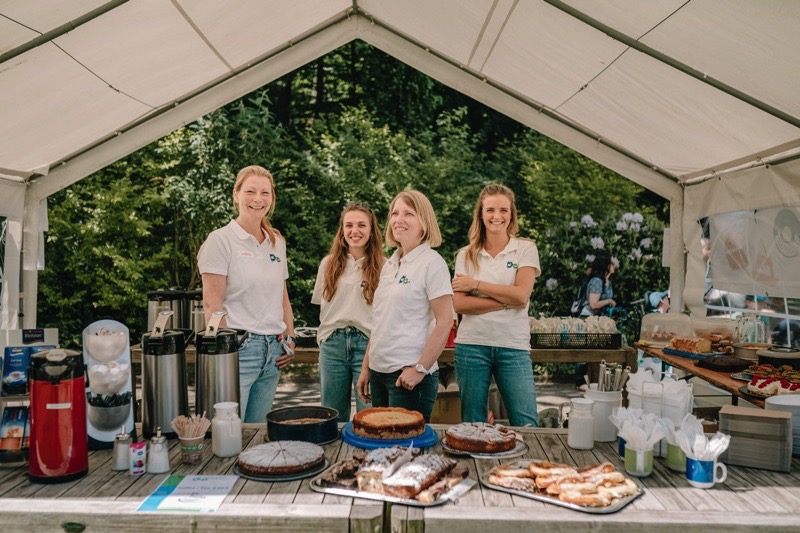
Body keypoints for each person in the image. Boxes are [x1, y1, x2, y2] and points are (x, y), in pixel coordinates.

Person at [197, 165, 296, 423]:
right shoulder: (220, 240)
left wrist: (290, 336)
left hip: (274, 352)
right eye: (250, 191)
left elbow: (282, 294)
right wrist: (227, 352)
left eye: (265, 192)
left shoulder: (277, 241)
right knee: (228, 431)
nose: (258, 199)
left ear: (272, 197)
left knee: (256, 432)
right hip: (239, 349)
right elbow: (212, 305)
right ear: (236, 194)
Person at [356, 190, 454, 421]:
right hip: (378, 374)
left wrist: (420, 369)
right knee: (381, 439)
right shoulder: (390, 264)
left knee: (406, 442)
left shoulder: (432, 263)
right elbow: (380, 321)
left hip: (406, 377)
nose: (398, 220)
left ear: (424, 222)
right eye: (395, 213)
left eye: (408, 214)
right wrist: (366, 368)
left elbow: (445, 321)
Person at [451, 184, 541, 427]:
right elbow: (460, 303)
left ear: (511, 214)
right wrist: (505, 301)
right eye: (490, 210)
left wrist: (475, 284)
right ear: (481, 214)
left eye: (503, 210)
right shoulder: (466, 254)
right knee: (473, 426)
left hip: (513, 347)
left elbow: (521, 296)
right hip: (472, 346)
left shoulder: (525, 249)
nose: (496, 216)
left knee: (527, 423)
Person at [311, 202, 385, 422]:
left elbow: (387, 314)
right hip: (333, 344)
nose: (355, 231)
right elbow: (323, 307)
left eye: (362, 225)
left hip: (367, 345)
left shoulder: (385, 266)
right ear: (342, 230)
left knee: (369, 416)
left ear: (371, 230)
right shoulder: (328, 264)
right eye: (349, 225)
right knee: (331, 416)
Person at [575, 253, 616, 390]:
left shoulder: (607, 281)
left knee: (595, 350)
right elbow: (593, 304)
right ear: (606, 265)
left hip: (598, 320)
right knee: (585, 350)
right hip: (588, 318)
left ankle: (594, 380)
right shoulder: (597, 281)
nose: (614, 266)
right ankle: (580, 382)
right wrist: (609, 301)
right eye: (611, 263)